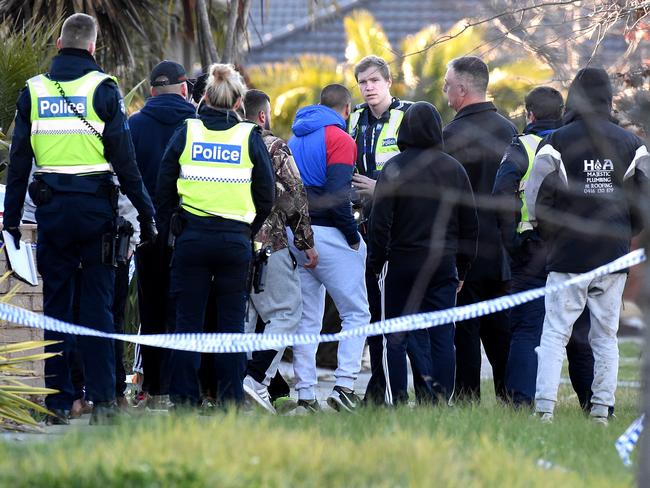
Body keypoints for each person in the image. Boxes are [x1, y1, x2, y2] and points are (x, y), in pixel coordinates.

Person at [2, 13, 157, 424]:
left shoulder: (33, 91)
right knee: (98, 308)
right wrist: (146, 211)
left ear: (57, 44)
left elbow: (18, 163)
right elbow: (126, 162)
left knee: (56, 308)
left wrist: (11, 221)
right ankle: (104, 401)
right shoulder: (103, 89)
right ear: (92, 47)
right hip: (97, 215)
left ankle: (56, 402)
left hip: (51, 213)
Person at [526, 67, 648, 424]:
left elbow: (536, 196)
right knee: (606, 336)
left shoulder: (557, 141)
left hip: (567, 253)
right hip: (612, 255)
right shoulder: (632, 144)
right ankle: (600, 412)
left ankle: (544, 409)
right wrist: (626, 231)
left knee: (554, 334)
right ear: (609, 98)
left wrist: (548, 232)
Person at [156, 63, 274, 407]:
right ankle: (230, 400)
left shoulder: (187, 131)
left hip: (191, 237)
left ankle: (184, 400)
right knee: (230, 326)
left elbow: (163, 184)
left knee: (187, 322)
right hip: (235, 241)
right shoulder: (249, 136)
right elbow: (266, 195)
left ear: (204, 96)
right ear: (239, 102)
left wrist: (171, 222)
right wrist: (246, 228)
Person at [492, 86, 598, 409]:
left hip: (531, 251)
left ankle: (521, 402)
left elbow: (500, 195)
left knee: (527, 328)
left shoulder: (522, 146)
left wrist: (511, 242)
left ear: (530, 114)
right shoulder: (581, 145)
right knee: (580, 333)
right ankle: (592, 402)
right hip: (576, 250)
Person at [369, 101, 478, 404]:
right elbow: (470, 225)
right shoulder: (454, 169)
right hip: (443, 265)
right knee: (443, 335)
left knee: (394, 334)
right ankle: (441, 400)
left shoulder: (394, 167)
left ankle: (396, 399)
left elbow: (380, 222)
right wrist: (462, 269)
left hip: (401, 262)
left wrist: (377, 262)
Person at [288, 84, 370, 412]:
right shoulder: (340, 138)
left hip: (298, 235)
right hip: (330, 234)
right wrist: (353, 236)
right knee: (357, 313)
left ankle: (306, 393)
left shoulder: (295, 138)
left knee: (308, 318)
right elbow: (337, 198)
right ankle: (345, 386)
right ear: (347, 110)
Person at [442, 56, 517, 402]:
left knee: (465, 330)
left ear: (461, 89)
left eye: (447, 84)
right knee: (501, 330)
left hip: (464, 250)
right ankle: (509, 396)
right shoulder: (509, 131)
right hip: (502, 249)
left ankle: (466, 398)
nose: (444, 90)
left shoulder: (451, 136)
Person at [346, 55, 419, 405]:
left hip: (403, 223)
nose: (368, 87)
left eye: (374, 80)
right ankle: (379, 390)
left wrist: (382, 189)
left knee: (404, 314)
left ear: (389, 82)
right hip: (364, 224)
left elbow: (423, 172)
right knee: (374, 311)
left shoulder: (408, 115)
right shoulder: (355, 118)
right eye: (362, 82)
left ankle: (415, 390)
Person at [240, 89, 318, 414]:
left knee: (249, 319)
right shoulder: (273, 146)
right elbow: (296, 196)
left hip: (230, 243)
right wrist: (306, 242)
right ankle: (255, 380)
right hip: (268, 244)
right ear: (263, 115)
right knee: (286, 313)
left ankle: (240, 385)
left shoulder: (228, 142)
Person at [129, 60, 196, 408]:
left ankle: (154, 387)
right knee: (189, 308)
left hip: (147, 230)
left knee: (151, 308)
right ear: (185, 89)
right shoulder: (199, 125)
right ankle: (188, 389)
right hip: (191, 230)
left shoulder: (135, 124)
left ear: (151, 91)